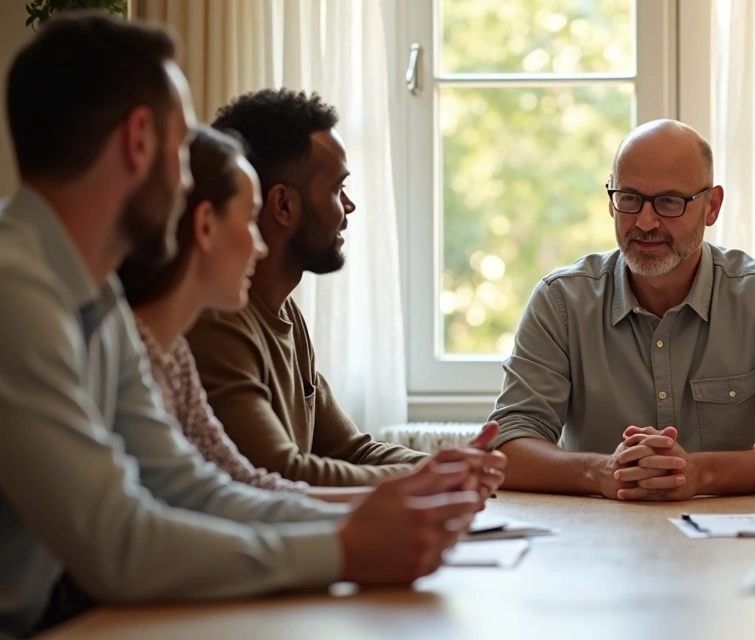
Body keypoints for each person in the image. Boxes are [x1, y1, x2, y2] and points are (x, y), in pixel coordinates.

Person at [0, 14, 486, 637]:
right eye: (183, 148)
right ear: (139, 141)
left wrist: (366, 523)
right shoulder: (15, 295)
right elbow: (118, 543)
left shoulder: (98, 298)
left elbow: (191, 487)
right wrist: (343, 550)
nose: (188, 182)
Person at [116, 126, 505, 503]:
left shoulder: (210, 345)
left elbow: (257, 484)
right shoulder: (200, 330)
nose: (259, 246)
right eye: (337, 189)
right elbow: (271, 477)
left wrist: (443, 470)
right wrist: (423, 482)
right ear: (283, 205)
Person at [487, 119, 755, 502]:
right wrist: (601, 472)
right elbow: (505, 446)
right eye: (629, 198)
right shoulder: (561, 301)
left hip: (729, 534)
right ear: (610, 201)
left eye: (669, 202)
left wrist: (699, 474)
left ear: (711, 207)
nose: (646, 222)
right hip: (595, 532)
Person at [184, 89, 470, 486]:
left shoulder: (286, 313)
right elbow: (282, 473)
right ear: (284, 205)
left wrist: (456, 466)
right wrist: (433, 476)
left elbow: (351, 450)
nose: (349, 206)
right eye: (337, 189)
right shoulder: (217, 321)